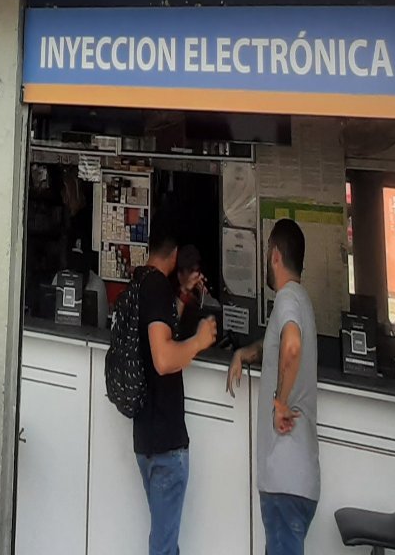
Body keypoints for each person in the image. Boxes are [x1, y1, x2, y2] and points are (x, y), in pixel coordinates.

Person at [226, 219, 320, 555]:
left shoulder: (286, 299)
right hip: (295, 479)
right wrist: (245, 353)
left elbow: (291, 345)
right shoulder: (300, 300)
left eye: (267, 252)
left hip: (285, 480)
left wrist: (280, 402)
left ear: (275, 254)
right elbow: (279, 345)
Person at [135, 226, 218, 555]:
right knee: (164, 546)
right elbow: (164, 359)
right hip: (166, 442)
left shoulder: (140, 282)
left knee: (163, 539)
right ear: (173, 255)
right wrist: (198, 341)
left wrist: (184, 294)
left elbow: (164, 331)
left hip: (145, 438)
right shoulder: (156, 285)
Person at [174, 244, 220, 341]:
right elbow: (172, 325)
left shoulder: (204, 297)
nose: (196, 276)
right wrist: (185, 291)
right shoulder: (170, 299)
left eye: (198, 270)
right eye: (191, 271)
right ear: (180, 275)